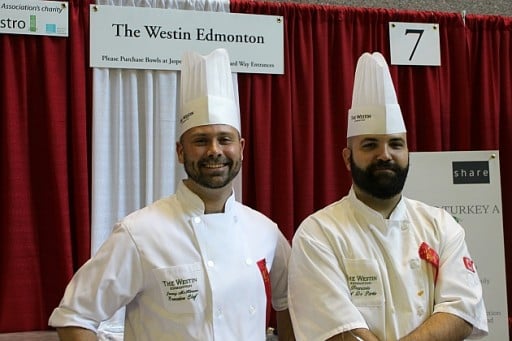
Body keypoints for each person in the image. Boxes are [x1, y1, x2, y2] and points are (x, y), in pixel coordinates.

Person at [49, 48, 294, 341]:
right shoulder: (139, 233)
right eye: (201, 140)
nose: (214, 150)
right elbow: (75, 316)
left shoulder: (265, 232)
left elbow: (289, 301)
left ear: (241, 148)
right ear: (180, 151)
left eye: (224, 139)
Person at [287, 52, 488, 341]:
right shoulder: (318, 233)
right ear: (347, 158)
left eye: (396, 144)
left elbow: (461, 312)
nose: (385, 155)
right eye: (370, 145)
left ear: (408, 152)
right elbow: (335, 332)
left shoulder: (442, 225)